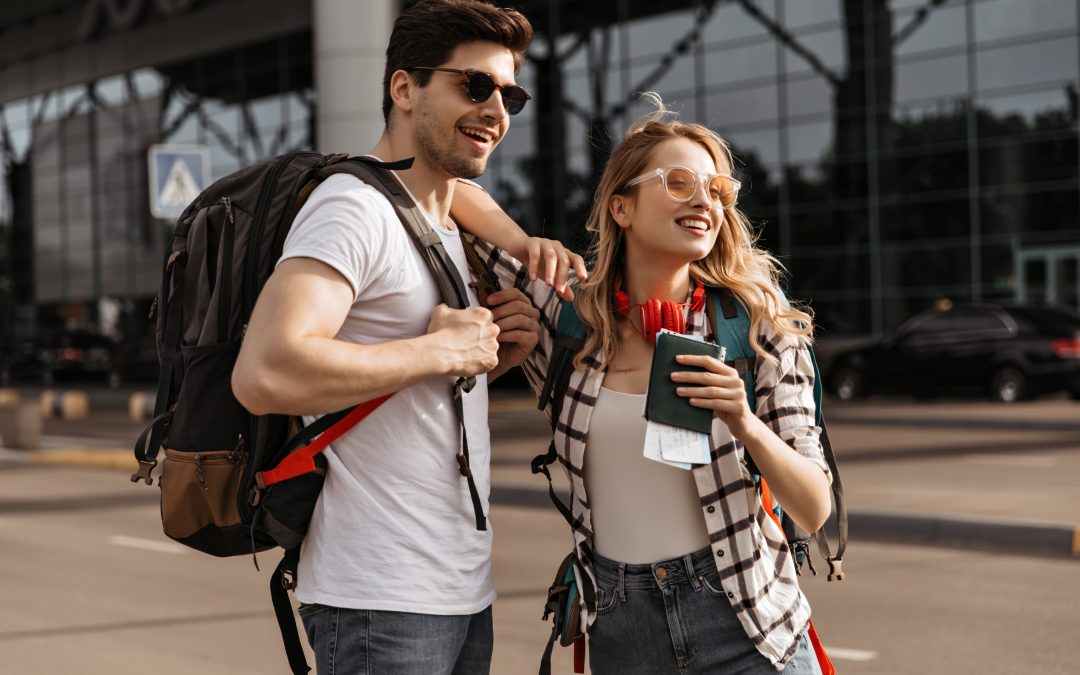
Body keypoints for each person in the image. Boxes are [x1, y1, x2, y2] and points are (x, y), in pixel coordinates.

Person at [231, 2, 583, 673]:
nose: (495, 109)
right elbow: (265, 370)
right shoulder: (352, 209)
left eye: (510, 94)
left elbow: (404, 382)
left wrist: (486, 360)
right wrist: (442, 351)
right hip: (380, 600)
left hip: (458, 590)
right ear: (404, 89)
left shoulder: (440, 217)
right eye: (473, 86)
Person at [454, 98, 833, 673]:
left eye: (718, 190)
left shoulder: (757, 326)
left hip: (747, 628)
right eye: (679, 182)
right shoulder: (569, 322)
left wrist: (744, 420)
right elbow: (444, 190)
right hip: (621, 631)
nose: (704, 200)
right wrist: (522, 242)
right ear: (621, 207)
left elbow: (814, 508)